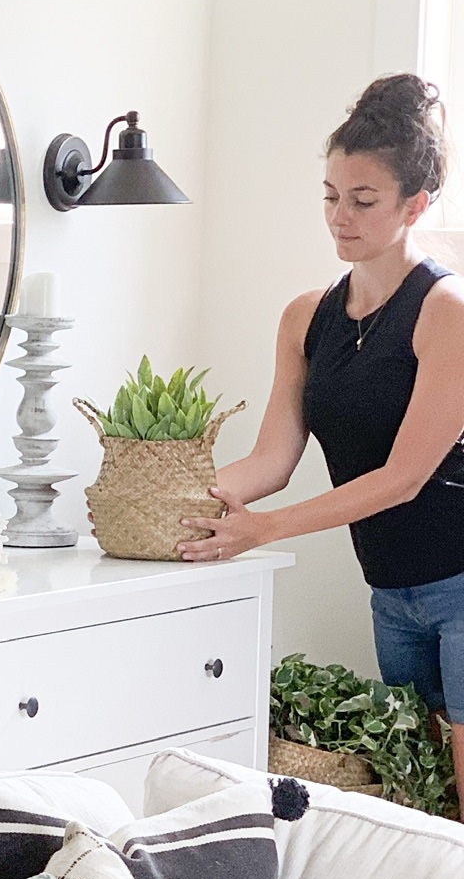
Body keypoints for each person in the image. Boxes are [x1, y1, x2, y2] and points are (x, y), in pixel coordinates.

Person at [179, 74, 464, 796]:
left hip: (461, 583)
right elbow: (272, 459)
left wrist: (264, 530)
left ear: (417, 204)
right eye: (332, 196)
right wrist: (181, 501)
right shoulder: (307, 317)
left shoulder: (447, 312)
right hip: (390, 591)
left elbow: (404, 477)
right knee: (423, 798)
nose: (341, 215)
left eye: (363, 200)